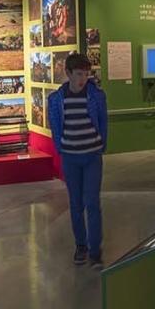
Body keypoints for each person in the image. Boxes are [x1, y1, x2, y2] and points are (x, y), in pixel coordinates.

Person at [47, 53, 107, 269]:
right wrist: (62, 148)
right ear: (69, 74)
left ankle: (95, 251)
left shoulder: (96, 96)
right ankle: (80, 245)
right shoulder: (56, 99)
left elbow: (102, 121)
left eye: (86, 74)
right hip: (71, 158)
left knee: (92, 203)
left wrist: (100, 145)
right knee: (75, 204)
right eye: (79, 74)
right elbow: (55, 127)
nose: (83, 79)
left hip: (92, 156)